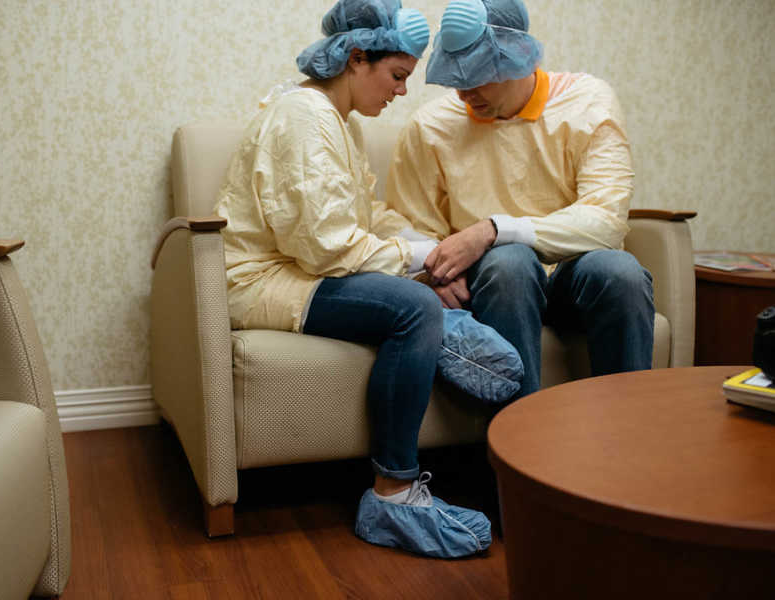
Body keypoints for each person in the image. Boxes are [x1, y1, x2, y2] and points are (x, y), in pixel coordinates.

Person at [213, 0, 493, 558]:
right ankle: (393, 492)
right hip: (262, 280)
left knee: (428, 285)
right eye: (396, 76)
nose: (402, 93)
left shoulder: (338, 122)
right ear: (356, 57)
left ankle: (451, 334)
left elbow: (366, 216)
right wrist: (418, 264)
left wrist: (431, 253)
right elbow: (324, 246)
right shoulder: (303, 115)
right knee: (414, 308)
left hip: (298, 271)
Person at [386, 0, 655, 399]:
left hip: (573, 280)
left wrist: (494, 230)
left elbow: (606, 219)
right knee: (510, 261)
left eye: (478, 76)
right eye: (457, 77)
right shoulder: (430, 126)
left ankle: (627, 439)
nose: (464, 92)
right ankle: (516, 445)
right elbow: (407, 223)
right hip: (492, 284)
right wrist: (431, 275)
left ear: (519, 58)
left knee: (621, 271)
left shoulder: (587, 101)